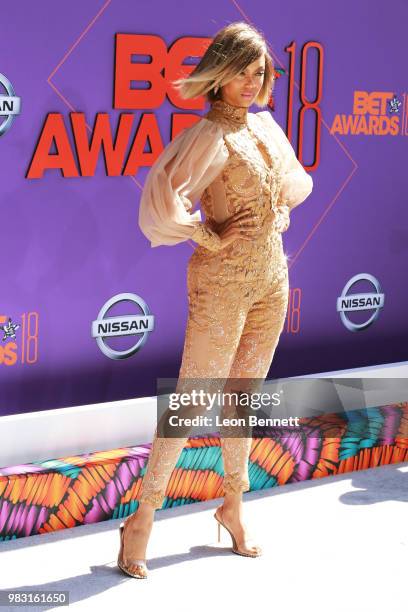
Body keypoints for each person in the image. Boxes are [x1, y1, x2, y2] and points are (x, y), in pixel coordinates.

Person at [117, 21, 313, 579]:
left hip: (273, 279)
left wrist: (268, 222)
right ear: (218, 73)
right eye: (241, 72)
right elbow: (160, 199)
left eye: (259, 73)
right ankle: (143, 517)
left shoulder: (269, 129)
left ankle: (233, 505)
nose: (251, 83)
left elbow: (289, 191)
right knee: (191, 397)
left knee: (244, 397)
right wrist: (207, 235)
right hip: (220, 282)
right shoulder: (206, 136)